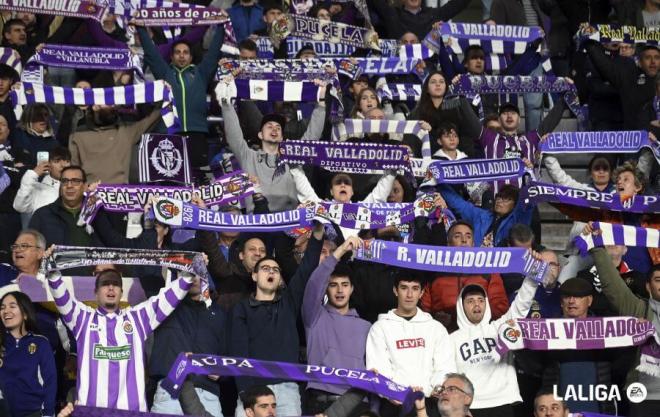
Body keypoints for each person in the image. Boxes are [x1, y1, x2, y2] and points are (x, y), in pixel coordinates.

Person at [44, 254, 197, 411]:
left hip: (130, 412)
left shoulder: (138, 318)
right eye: (105, 283)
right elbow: (61, 297)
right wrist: (53, 270)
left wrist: (192, 270)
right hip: (92, 413)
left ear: (121, 291)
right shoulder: (83, 318)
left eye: (116, 284)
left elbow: (168, 298)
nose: (111, 287)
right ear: (95, 292)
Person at [231, 223, 325, 417]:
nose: (272, 272)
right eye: (265, 268)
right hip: (252, 388)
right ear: (255, 275)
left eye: (276, 269)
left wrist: (317, 234)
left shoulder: (289, 303)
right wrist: (244, 392)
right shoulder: (241, 308)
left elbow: (306, 268)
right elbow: (238, 351)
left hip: (287, 389)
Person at [583, 224, 660, 416]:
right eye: (658, 280)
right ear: (648, 287)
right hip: (644, 395)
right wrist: (597, 246)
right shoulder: (639, 308)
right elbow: (612, 285)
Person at [449, 263, 540, 417]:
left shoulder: (500, 327)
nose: (476, 304)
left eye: (480, 300)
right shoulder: (452, 339)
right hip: (471, 407)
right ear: (461, 306)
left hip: (503, 403)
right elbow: (451, 377)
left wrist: (535, 268)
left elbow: (521, 304)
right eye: (470, 301)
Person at [366, 268, 455, 417]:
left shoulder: (435, 328)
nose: (409, 295)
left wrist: (436, 389)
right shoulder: (380, 328)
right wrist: (394, 393)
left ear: (421, 293)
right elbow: (377, 368)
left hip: (430, 402)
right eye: (404, 288)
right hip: (394, 405)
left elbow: (446, 366)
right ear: (395, 290)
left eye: (414, 289)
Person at [136, 21, 225, 169]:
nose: (182, 56)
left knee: (197, 178)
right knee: (171, 178)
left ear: (191, 57)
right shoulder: (165, 73)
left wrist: (222, 26)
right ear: (171, 57)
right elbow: (151, 53)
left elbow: (214, 52)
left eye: (185, 52)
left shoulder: (201, 73)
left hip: (197, 133)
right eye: (178, 52)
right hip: (170, 133)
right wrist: (140, 28)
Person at [220, 93, 325, 212]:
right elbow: (234, 136)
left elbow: (312, 137)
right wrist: (226, 102)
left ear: (281, 137)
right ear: (260, 134)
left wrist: (321, 103)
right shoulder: (248, 156)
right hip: (257, 225)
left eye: (278, 128)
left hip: (287, 226)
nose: (274, 129)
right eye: (269, 126)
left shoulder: (292, 157)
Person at [302, 236, 371, 414]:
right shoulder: (314, 316)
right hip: (320, 401)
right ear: (326, 288)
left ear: (352, 289)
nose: (340, 290)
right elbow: (314, 283)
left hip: (357, 403)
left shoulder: (367, 327)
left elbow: (373, 374)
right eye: (333, 285)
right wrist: (339, 251)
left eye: (345, 285)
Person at [149, 273, 227, 416]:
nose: (194, 278)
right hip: (170, 388)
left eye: (198, 274)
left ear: (206, 278)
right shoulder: (165, 307)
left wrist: (221, 372)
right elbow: (149, 276)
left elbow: (229, 355)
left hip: (208, 392)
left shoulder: (220, 314)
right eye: (188, 274)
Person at [420, 221, 509, 331]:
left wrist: (477, 318)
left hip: (481, 334)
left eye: (468, 236)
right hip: (444, 335)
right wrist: (435, 320)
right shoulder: (435, 273)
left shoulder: (488, 271)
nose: (464, 240)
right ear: (448, 244)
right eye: (458, 236)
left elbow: (500, 307)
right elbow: (425, 309)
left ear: (472, 243)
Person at [0, 291, 56, 417]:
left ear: (25, 314)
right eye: (2, 308)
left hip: (35, 413)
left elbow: (50, 383)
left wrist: (48, 414)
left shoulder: (41, 343)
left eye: (12, 306)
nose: (6, 311)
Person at [29, 166, 101, 247]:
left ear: (85, 186)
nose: (69, 185)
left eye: (75, 181)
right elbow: (31, 248)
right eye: (65, 181)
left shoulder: (99, 213)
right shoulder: (42, 215)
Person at [13, 146, 71, 227]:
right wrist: (33, 174)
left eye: (67, 161)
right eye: (57, 161)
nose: (63, 165)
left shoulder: (78, 188)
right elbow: (19, 206)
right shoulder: (37, 188)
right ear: (48, 164)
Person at [367, 0, 471, 40]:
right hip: (400, 68)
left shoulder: (434, 14)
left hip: (428, 70)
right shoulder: (392, 14)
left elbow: (459, 4)